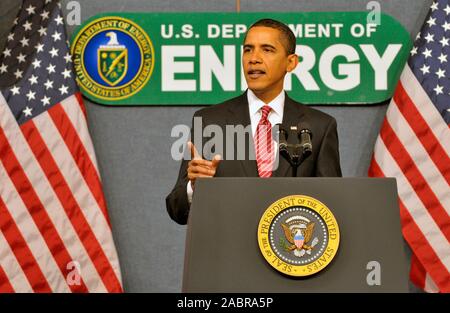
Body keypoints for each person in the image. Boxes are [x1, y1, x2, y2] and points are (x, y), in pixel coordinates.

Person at [166, 18, 342, 225]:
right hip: (227, 252)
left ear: (291, 62)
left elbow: (333, 205)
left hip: (290, 249)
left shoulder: (320, 126)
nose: (254, 58)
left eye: (267, 50)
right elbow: (176, 209)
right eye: (248, 49)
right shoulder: (209, 121)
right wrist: (193, 187)